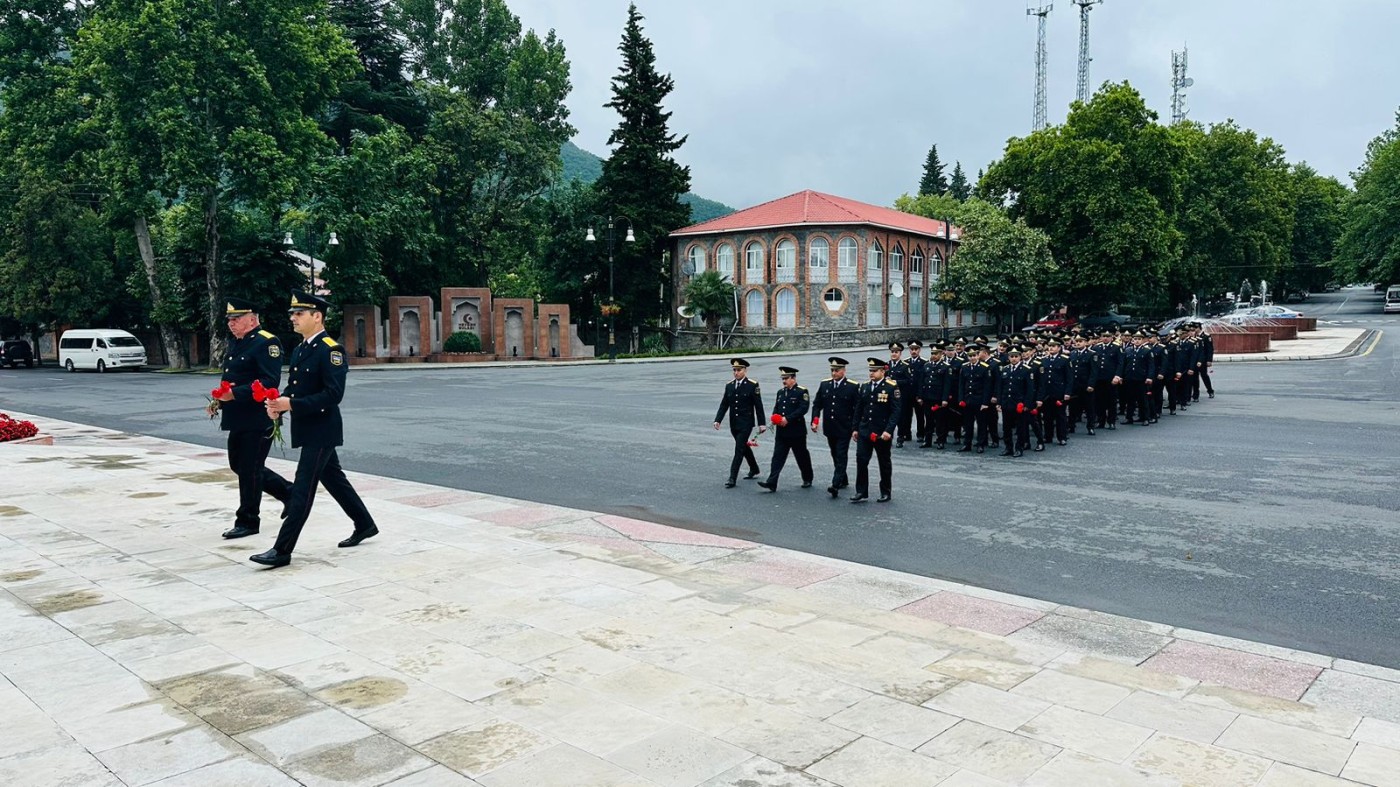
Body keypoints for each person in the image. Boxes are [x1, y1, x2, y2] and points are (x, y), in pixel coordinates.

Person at [250, 292, 378, 568]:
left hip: (322, 428)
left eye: (299, 313)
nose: (293, 318)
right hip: (308, 427)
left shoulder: (330, 350)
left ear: (317, 316)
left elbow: (333, 395)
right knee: (333, 478)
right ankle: (365, 523)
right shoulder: (301, 349)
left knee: (303, 488)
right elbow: (295, 389)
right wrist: (279, 404)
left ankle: (282, 550)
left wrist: (291, 404)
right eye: (292, 313)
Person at [215, 298, 284, 540]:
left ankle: (247, 520)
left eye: (236, 319)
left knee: (250, 470)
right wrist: (220, 398)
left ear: (252, 319)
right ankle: (290, 492)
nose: (231, 324)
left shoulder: (267, 342)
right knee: (239, 465)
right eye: (230, 320)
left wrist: (235, 393)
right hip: (238, 416)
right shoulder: (237, 343)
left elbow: (269, 381)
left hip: (258, 416)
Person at [851, 358, 899, 503]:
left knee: (884, 462)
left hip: (881, 432)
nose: (871, 374)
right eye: (870, 371)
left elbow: (895, 412)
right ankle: (861, 491)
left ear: (882, 371)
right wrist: (855, 428)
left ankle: (885, 491)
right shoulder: (865, 387)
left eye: (874, 371)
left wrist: (888, 431)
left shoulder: (891, 387)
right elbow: (859, 409)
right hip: (865, 431)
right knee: (861, 460)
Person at [811, 356, 860, 497]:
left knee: (841, 454)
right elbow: (817, 404)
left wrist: (855, 427)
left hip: (845, 427)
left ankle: (835, 484)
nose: (834, 373)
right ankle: (843, 478)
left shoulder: (852, 386)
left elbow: (857, 408)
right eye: (832, 370)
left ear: (843, 371)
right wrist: (815, 420)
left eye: (837, 370)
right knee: (834, 453)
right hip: (830, 427)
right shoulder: (825, 384)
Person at [758, 366, 813, 492]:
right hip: (782, 432)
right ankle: (771, 482)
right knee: (777, 457)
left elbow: (803, 408)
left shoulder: (801, 391)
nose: (784, 381)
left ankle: (807, 478)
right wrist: (775, 417)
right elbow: (777, 407)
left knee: (801, 456)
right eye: (782, 378)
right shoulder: (781, 392)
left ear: (793, 378)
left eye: (786, 378)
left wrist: (788, 419)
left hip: (796, 431)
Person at [714, 358, 766, 487]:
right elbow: (724, 404)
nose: (736, 373)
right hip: (734, 423)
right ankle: (754, 468)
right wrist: (718, 420)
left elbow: (758, 406)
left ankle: (732, 478)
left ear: (745, 370)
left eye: (739, 370)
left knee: (738, 450)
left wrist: (762, 423)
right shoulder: (730, 385)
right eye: (734, 370)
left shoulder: (752, 385)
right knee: (743, 447)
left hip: (746, 423)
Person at [998, 346, 1035, 457]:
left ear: (1020, 357)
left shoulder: (1026, 370)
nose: (1014, 359)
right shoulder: (1005, 369)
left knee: (1020, 428)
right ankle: (1008, 447)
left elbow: (1030, 389)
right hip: (1007, 403)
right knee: (1006, 427)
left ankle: (1019, 447)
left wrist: (1027, 404)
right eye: (1011, 356)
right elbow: (1001, 388)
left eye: (1016, 356)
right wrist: (999, 402)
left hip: (1019, 403)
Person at [957, 345, 994, 453]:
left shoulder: (984, 367)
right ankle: (967, 444)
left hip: (979, 400)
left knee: (981, 424)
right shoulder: (964, 367)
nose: (972, 358)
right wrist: (961, 399)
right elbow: (961, 385)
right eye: (970, 356)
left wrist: (985, 402)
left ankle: (980, 444)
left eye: (974, 355)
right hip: (968, 400)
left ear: (978, 356)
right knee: (968, 424)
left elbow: (987, 387)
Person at [886, 342, 914, 447]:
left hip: (900, 395)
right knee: (889, 417)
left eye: (896, 352)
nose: (894, 354)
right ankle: (889, 436)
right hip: (889, 396)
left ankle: (900, 437)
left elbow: (909, 381)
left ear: (900, 353)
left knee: (901, 418)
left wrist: (895, 381)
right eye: (892, 352)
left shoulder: (905, 366)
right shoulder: (886, 365)